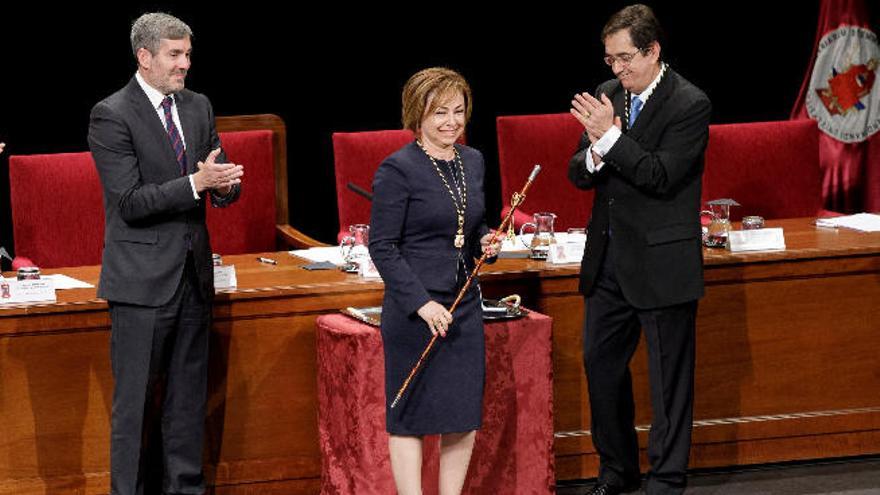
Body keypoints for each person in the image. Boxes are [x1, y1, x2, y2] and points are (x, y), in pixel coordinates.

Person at [88, 12, 242, 495]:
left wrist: (223, 187)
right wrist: (197, 184)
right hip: (140, 283)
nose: (185, 65)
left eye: (188, 55)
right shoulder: (111, 114)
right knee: (134, 409)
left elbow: (213, 177)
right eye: (175, 55)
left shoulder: (197, 106)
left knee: (186, 406)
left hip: (193, 277)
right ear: (145, 57)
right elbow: (130, 202)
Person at [567, 5, 711, 495]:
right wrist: (593, 146)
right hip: (609, 262)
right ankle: (617, 470)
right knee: (601, 366)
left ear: (653, 51)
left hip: (662, 262)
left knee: (669, 383)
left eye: (625, 58)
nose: (616, 69)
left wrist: (607, 137)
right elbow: (578, 172)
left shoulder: (690, 104)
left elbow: (659, 175)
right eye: (610, 59)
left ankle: (666, 480)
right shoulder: (608, 95)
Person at [368, 67, 498, 495]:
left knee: (461, 416)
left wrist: (486, 242)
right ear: (416, 115)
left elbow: (471, 226)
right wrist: (421, 304)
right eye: (439, 112)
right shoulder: (397, 169)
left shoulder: (473, 161)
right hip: (416, 311)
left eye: (459, 111)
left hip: (463, 304)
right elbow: (383, 247)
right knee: (410, 415)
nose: (451, 122)